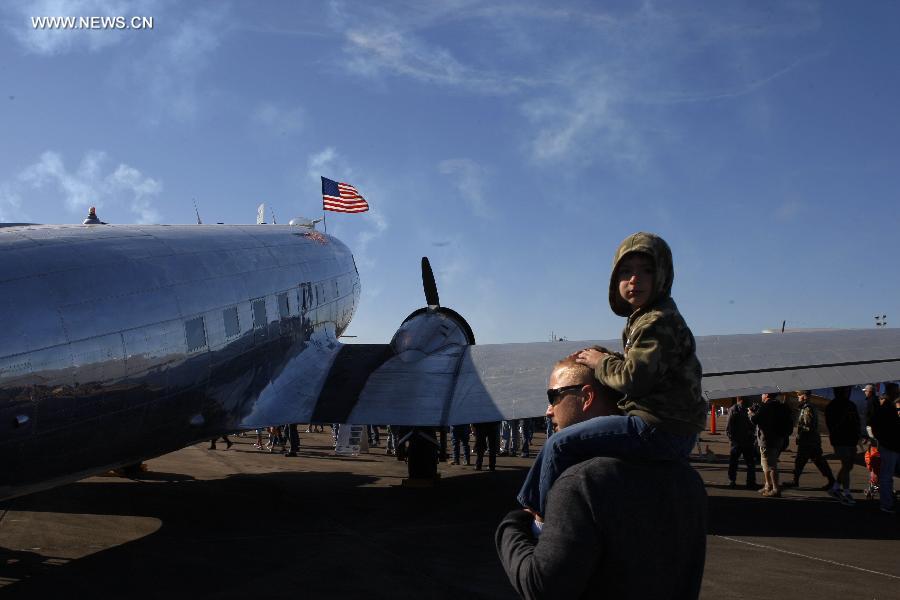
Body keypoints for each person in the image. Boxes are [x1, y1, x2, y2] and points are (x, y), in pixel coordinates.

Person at [517, 232, 705, 520]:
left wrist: (602, 361)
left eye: (646, 270)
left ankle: (542, 520)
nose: (634, 280)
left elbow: (635, 380)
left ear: (663, 276)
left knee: (559, 442)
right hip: (670, 428)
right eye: (626, 272)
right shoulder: (648, 318)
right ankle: (532, 505)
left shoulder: (656, 321)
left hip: (657, 429)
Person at [496, 356, 707, 599]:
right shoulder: (688, 479)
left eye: (553, 396)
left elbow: (541, 586)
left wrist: (512, 527)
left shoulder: (580, 483)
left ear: (587, 397)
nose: (548, 409)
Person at [748, 392, 792, 498]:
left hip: (767, 440)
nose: (761, 396)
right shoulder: (781, 406)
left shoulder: (766, 406)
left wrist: (751, 414)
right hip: (779, 439)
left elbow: (755, 420)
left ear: (766, 394)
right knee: (766, 464)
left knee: (771, 465)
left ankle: (776, 489)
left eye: (762, 394)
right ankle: (768, 485)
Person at [825, 386, 861, 506]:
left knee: (849, 465)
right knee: (846, 464)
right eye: (845, 391)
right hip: (840, 439)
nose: (847, 393)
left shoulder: (851, 405)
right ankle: (846, 492)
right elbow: (831, 425)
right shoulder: (832, 406)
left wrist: (858, 436)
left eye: (847, 390)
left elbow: (856, 421)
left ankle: (835, 488)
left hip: (851, 439)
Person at [792, 390, 835, 490]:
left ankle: (795, 481)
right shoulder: (809, 407)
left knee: (801, 461)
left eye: (799, 395)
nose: (797, 397)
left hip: (808, 441)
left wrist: (800, 436)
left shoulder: (807, 409)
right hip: (812, 440)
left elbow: (807, 426)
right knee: (818, 461)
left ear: (804, 396)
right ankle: (831, 480)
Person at [870, 383, 900, 514]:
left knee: (887, 475)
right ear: (891, 392)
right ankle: (886, 503)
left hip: (889, 445)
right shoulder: (887, 408)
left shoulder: (886, 408)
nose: (898, 394)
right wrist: (886, 441)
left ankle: (888, 501)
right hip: (890, 446)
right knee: (887, 476)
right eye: (896, 391)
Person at [726, 396, 758, 489]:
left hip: (745, 441)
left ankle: (747, 481)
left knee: (746, 462)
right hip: (739, 441)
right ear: (742, 400)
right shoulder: (734, 409)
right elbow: (729, 426)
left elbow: (753, 423)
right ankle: (734, 480)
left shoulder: (745, 409)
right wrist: (732, 439)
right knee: (738, 462)